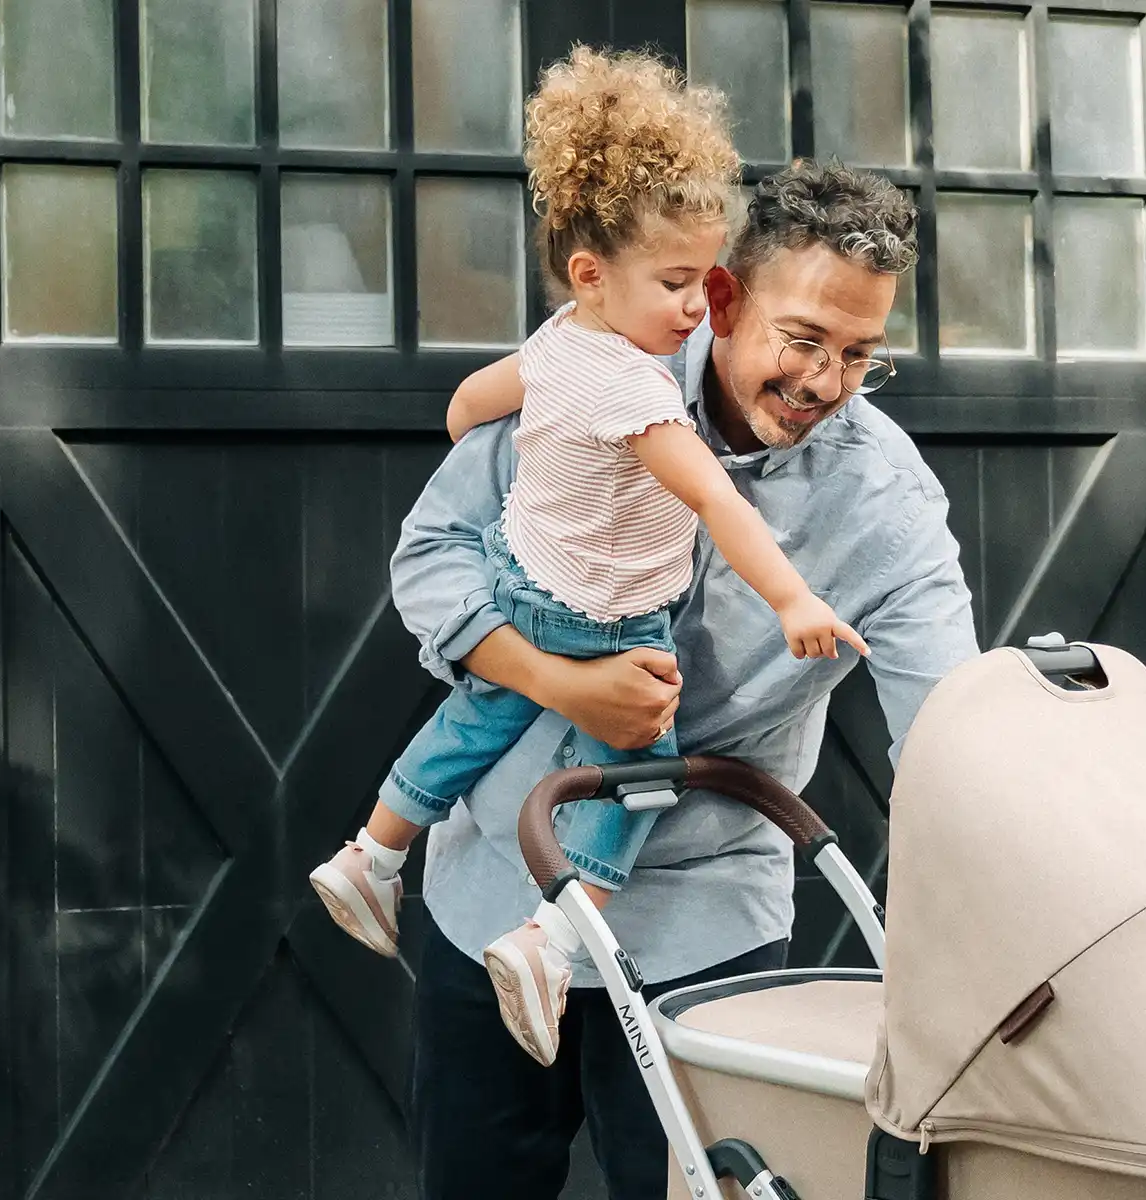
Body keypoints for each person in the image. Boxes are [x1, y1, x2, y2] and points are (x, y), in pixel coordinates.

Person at [395, 158, 981, 1200]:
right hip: (490, 896)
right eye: (802, 340)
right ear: (721, 296)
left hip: (704, 938)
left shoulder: (885, 501)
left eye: (859, 356)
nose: (823, 385)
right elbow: (432, 554)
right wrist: (554, 682)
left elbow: (952, 730)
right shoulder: (592, 368)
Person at [306, 48, 867, 1068]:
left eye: (706, 279)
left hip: (526, 590)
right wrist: (792, 599)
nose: (699, 307)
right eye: (678, 282)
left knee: (474, 714)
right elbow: (715, 503)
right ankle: (552, 937)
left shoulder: (563, 341)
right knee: (633, 768)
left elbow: (478, 397)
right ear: (591, 273)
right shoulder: (642, 393)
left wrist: (472, 429)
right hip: (611, 618)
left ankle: (371, 853)